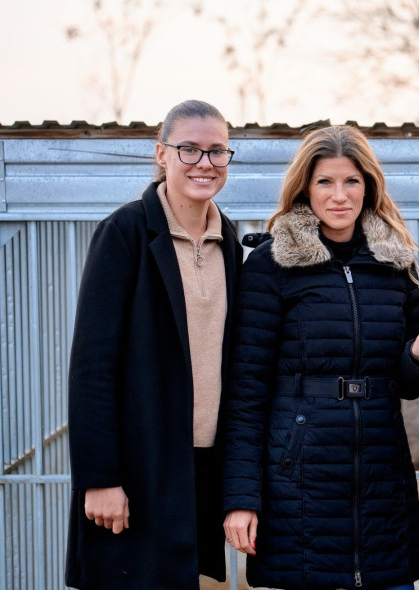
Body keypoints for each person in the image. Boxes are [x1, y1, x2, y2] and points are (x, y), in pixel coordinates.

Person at [221, 125, 419, 590]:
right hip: (298, 482)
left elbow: (406, 385)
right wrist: (241, 498)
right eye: (325, 181)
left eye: (351, 181)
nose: (339, 195)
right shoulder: (271, 265)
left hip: (382, 476)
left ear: (369, 186)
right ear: (305, 188)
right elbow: (246, 393)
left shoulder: (397, 265)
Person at [66, 100, 242, 589]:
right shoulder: (124, 232)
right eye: (189, 149)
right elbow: (92, 366)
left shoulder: (228, 240)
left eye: (217, 151)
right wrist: (100, 479)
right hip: (138, 468)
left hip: (201, 468)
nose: (205, 163)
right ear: (161, 154)